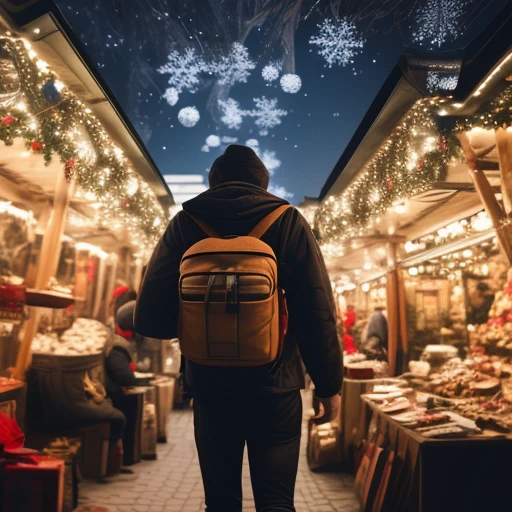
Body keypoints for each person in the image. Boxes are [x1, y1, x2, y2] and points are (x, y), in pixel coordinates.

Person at [134, 144, 342, 512]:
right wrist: (329, 387)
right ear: (264, 183)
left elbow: (149, 316)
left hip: (211, 388)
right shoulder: (288, 220)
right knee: (277, 501)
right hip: (277, 387)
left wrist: (198, 323)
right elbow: (317, 311)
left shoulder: (185, 222)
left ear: (213, 182)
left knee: (220, 503)